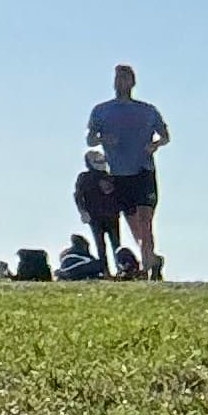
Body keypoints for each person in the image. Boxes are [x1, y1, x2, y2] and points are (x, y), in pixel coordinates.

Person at [86, 63, 170, 272]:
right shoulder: (101, 111)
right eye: (117, 78)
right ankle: (152, 259)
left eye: (124, 78)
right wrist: (104, 138)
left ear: (133, 82)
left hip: (143, 170)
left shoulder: (147, 110)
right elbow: (90, 139)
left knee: (146, 219)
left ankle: (148, 269)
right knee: (134, 225)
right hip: (119, 174)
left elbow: (165, 136)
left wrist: (155, 145)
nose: (120, 82)